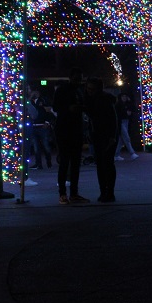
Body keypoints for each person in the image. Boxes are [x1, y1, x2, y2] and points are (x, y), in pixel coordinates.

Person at [52, 68, 89, 204]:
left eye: (80, 78)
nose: (78, 81)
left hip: (76, 129)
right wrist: (69, 108)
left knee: (74, 163)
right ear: (71, 77)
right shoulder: (63, 90)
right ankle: (63, 193)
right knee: (65, 161)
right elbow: (55, 107)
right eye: (77, 78)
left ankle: (73, 193)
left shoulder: (79, 91)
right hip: (64, 129)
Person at [84, 76, 118, 203]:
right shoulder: (96, 99)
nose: (89, 91)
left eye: (91, 89)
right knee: (103, 164)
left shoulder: (103, 100)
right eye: (88, 89)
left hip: (104, 135)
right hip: (99, 134)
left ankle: (107, 191)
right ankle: (106, 191)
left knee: (106, 164)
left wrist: (112, 137)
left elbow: (112, 119)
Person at [29, 88, 53, 170]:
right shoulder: (29, 102)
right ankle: (38, 164)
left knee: (45, 145)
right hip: (33, 126)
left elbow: (49, 112)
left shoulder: (43, 100)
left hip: (42, 126)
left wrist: (47, 122)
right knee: (36, 147)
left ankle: (49, 163)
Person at [114, 93, 139, 161]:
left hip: (126, 122)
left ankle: (116, 154)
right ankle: (132, 153)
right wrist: (126, 113)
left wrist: (130, 101)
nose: (124, 98)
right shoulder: (118, 105)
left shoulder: (127, 104)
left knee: (121, 140)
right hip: (121, 122)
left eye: (125, 96)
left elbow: (133, 108)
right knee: (126, 137)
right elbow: (119, 114)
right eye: (123, 96)